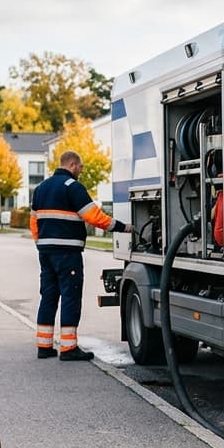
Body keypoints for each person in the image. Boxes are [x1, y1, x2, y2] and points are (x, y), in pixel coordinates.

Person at [30, 150, 131, 361]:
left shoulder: (41, 188)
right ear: (73, 165)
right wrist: (123, 227)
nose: (82, 171)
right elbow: (94, 217)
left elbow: (33, 222)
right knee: (70, 296)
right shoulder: (73, 188)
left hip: (46, 252)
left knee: (48, 296)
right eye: (81, 167)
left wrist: (41, 243)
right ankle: (68, 348)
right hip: (67, 253)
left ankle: (44, 346)